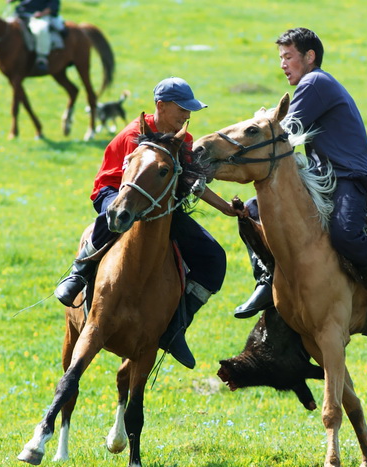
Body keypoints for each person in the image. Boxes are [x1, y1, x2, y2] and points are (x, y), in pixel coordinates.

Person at [55, 77, 243, 369]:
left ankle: (174, 329)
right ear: (160, 106)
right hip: (115, 193)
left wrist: (225, 208)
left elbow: (191, 178)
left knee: (214, 257)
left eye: (189, 109)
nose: (187, 115)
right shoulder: (134, 134)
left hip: (158, 205)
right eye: (181, 108)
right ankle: (78, 274)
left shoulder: (184, 139)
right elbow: (125, 186)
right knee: (117, 218)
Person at [234, 27, 367, 327]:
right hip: (323, 177)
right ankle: (268, 279)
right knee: (253, 209)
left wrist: (263, 123)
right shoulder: (313, 84)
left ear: (310, 56)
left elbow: (285, 134)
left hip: (348, 176)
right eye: (281, 58)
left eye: (288, 56)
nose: (282, 64)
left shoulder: (315, 82)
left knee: (345, 232)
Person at [7, 0, 62, 73]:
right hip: (21, 14)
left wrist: (42, 13)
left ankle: (42, 58)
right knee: (6, 29)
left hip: (39, 16)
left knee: (40, 30)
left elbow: (53, 6)